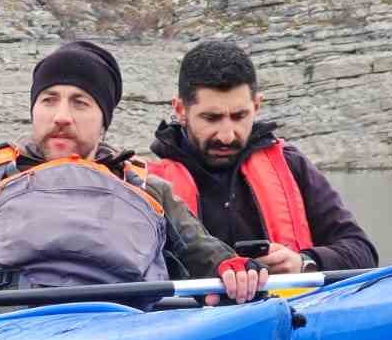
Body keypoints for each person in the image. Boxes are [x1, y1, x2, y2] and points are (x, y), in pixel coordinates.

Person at [0, 40, 266, 320]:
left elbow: (211, 258)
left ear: (104, 119)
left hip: (120, 337)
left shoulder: (148, 190)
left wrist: (237, 272)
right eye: (49, 100)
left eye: (80, 103)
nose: (61, 117)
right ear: (34, 109)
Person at [147, 40, 376, 273]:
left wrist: (304, 262)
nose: (227, 136)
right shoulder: (146, 185)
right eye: (211, 118)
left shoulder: (291, 165)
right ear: (180, 110)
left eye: (239, 116)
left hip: (290, 306)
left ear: (256, 106)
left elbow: (362, 252)